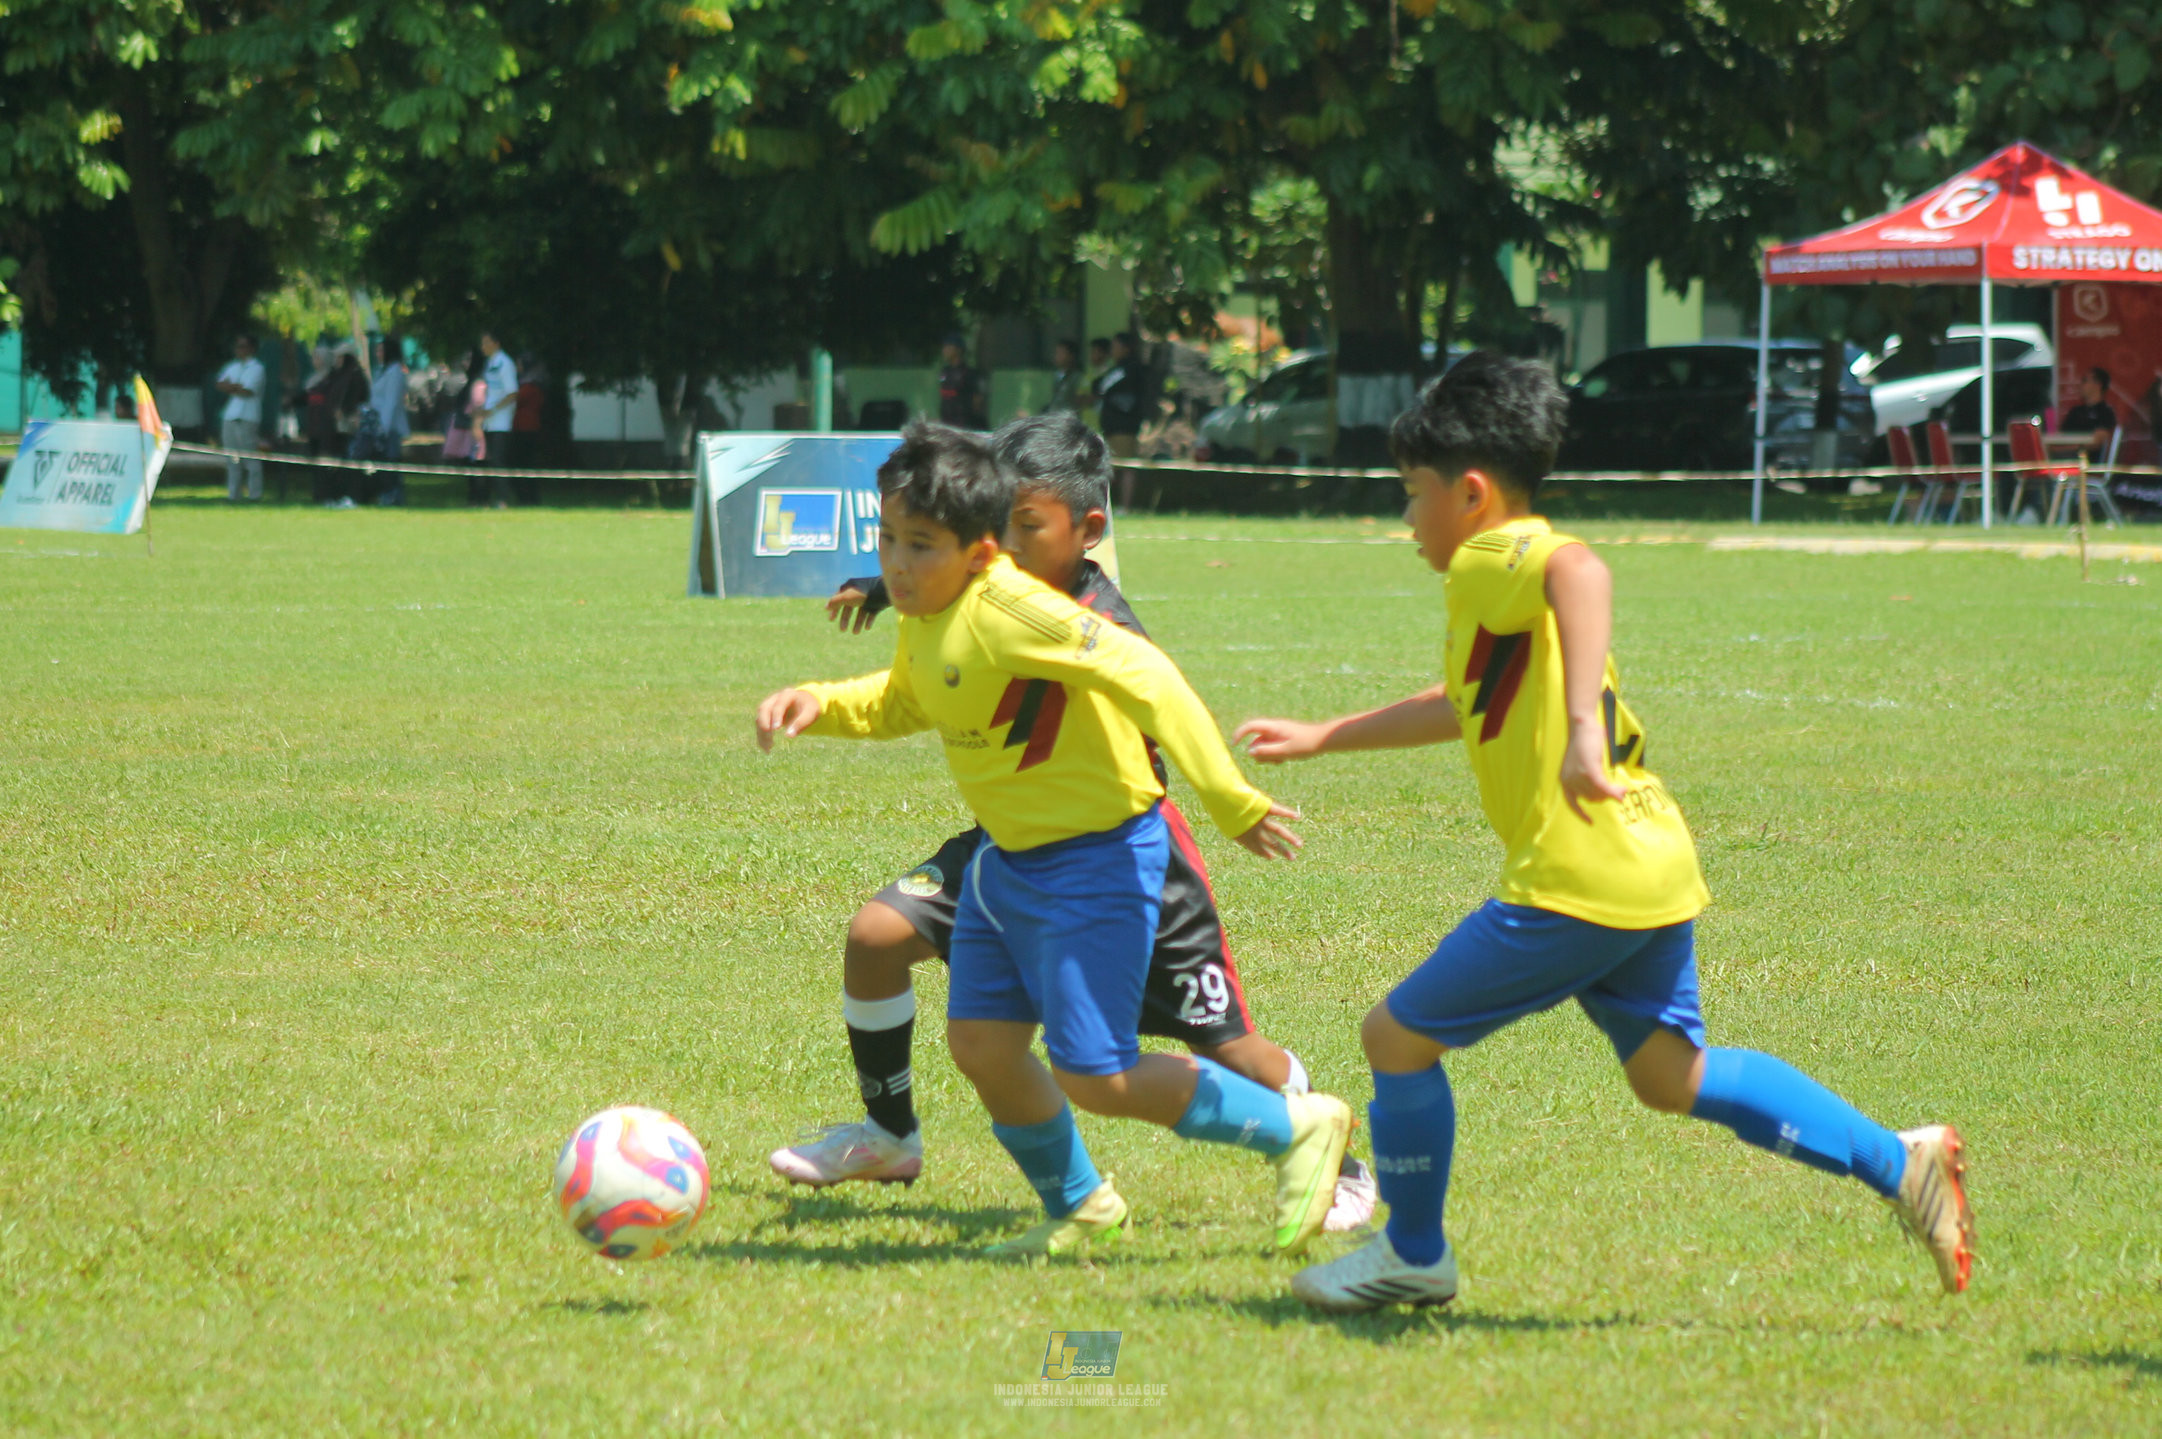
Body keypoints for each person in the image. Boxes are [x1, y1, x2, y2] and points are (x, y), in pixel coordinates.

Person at [1234, 352, 1975, 1311]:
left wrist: (1583, 724)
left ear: (1470, 492)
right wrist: (1326, 735)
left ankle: (1413, 1252)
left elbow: (1581, 569)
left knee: (1396, 1038)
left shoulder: (1496, 554)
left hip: (1575, 877)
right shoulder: (1497, 584)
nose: (1406, 517)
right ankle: (1901, 1163)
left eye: (1414, 493)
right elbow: (1466, 701)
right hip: (1646, 858)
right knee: (1673, 1075)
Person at [766, 411, 1376, 1232]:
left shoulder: (1043, 611)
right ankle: (1063, 1197)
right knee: (968, 1028)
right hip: (1009, 852)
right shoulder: (943, 601)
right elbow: (909, 693)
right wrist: (828, 689)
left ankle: (1309, 1133)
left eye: (923, 543)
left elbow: (1150, 679)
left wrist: (1231, 800)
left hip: (1107, 852)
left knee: (1152, 1062)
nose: (901, 562)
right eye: (890, 540)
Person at [359, 333, 411, 507]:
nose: (378, 354)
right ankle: (383, 494)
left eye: (381, 350)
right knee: (380, 462)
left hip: (390, 427)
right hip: (376, 424)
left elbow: (391, 402)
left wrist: (383, 428)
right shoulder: (381, 370)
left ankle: (394, 496)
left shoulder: (395, 371)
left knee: (391, 461)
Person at [213, 335, 266, 501]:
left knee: (250, 458)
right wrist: (235, 387)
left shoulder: (257, 368)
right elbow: (220, 384)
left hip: (248, 417)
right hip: (230, 415)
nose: (239, 350)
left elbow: (247, 391)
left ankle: (254, 494)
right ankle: (234, 495)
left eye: (242, 346)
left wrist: (232, 387)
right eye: (237, 346)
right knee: (232, 458)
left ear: (251, 348)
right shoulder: (233, 366)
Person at [476, 331, 519, 507]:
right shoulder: (490, 363)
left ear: (496, 343)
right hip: (490, 422)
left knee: (499, 461)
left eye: (487, 343)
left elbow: (512, 393)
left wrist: (493, 410)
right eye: (482, 343)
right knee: (491, 460)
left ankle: (503, 500)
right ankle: (489, 498)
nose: (483, 347)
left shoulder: (505, 363)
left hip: (501, 422)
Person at [511, 355, 548, 504]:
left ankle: (527, 496)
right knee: (526, 462)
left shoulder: (529, 387)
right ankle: (528, 496)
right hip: (529, 427)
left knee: (524, 462)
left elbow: (516, 401)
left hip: (525, 428)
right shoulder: (534, 384)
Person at [2060, 366, 2117, 459]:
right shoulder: (2075, 412)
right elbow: (2061, 437)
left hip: (2090, 462)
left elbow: (2098, 442)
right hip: (2067, 459)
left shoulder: (2106, 412)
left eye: (2085, 380)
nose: (2080, 385)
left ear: (2098, 385)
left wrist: (2070, 449)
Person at [936, 334, 988, 430]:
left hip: (964, 425)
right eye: (944, 347)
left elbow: (978, 400)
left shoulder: (970, 374)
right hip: (947, 424)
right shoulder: (945, 372)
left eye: (948, 347)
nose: (945, 350)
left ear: (958, 350)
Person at [1043, 339, 1084, 414]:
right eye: (1056, 353)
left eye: (1061, 353)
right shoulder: (1054, 376)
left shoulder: (1078, 378)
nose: (1057, 356)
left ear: (1071, 356)